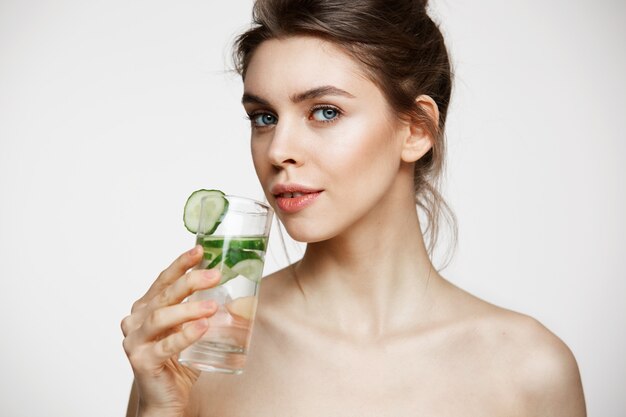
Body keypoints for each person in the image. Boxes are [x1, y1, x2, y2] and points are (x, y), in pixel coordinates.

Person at [121, 0, 586, 415]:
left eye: (325, 112)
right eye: (264, 117)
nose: (279, 149)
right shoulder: (202, 349)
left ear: (417, 129)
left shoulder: (530, 370)